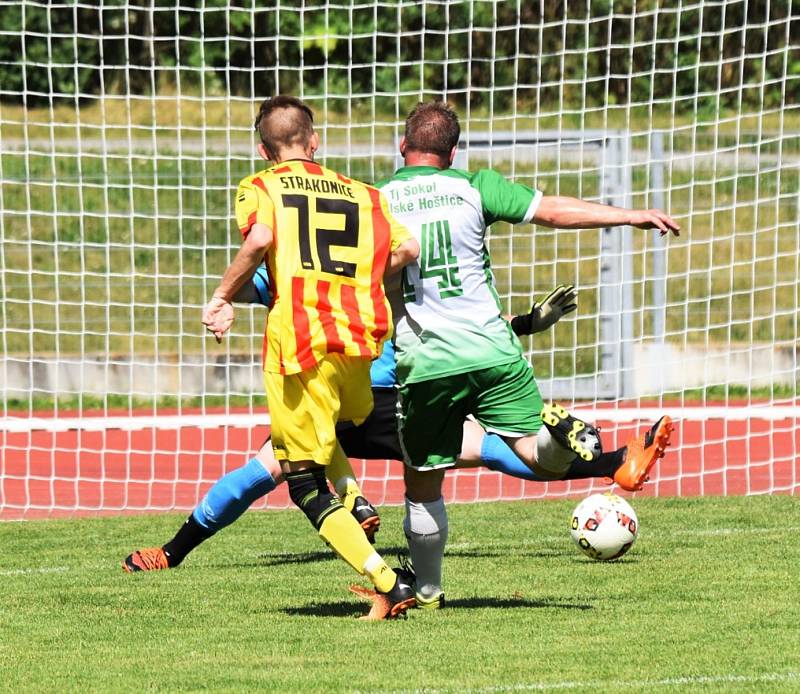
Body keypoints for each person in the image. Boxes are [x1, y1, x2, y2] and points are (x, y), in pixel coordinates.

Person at [382, 101, 678, 608]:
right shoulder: (475, 186)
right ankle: (560, 435)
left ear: (402, 147)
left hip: (425, 360)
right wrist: (629, 215)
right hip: (493, 349)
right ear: (453, 153)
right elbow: (553, 211)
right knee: (537, 458)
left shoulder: (375, 201)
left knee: (423, 482)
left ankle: (428, 590)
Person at [122, 275, 593, 575]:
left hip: (326, 391)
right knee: (490, 448)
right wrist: (526, 323)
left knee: (262, 474)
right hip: (383, 400)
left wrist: (227, 295)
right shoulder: (384, 257)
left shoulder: (302, 259)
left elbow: (255, 285)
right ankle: (611, 461)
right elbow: (459, 326)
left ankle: (173, 551)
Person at [199, 95, 419, 620]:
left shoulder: (260, 185)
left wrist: (222, 298)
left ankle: (387, 583)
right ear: (314, 141)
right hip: (362, 342)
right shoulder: (366, 193)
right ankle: (355, 497)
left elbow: (262, 238)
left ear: (263, 148)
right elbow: (406, 251)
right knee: (329, 429)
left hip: (299, 343)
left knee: (300, 480)